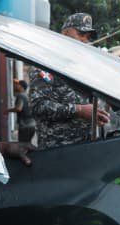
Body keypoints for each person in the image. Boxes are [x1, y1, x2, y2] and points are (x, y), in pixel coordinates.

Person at [28, 11, 110, 147]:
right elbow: (38, 106)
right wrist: (79, 110)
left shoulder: (82, 67)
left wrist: (97, 114)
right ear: (65, 33)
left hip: (85, 146)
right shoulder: (45, 63)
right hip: (57, 150)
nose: (85, 40)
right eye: (81, 34)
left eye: (88, 37)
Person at [12, 78, 35, 144]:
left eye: (17, 84)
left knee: (22, 146)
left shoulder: (21, 95)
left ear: (21, 86)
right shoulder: (27, 95)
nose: (16, 86)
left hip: (25, 126)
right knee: (28, 144)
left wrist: (8, 110)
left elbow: (19, 108)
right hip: (32, 125)